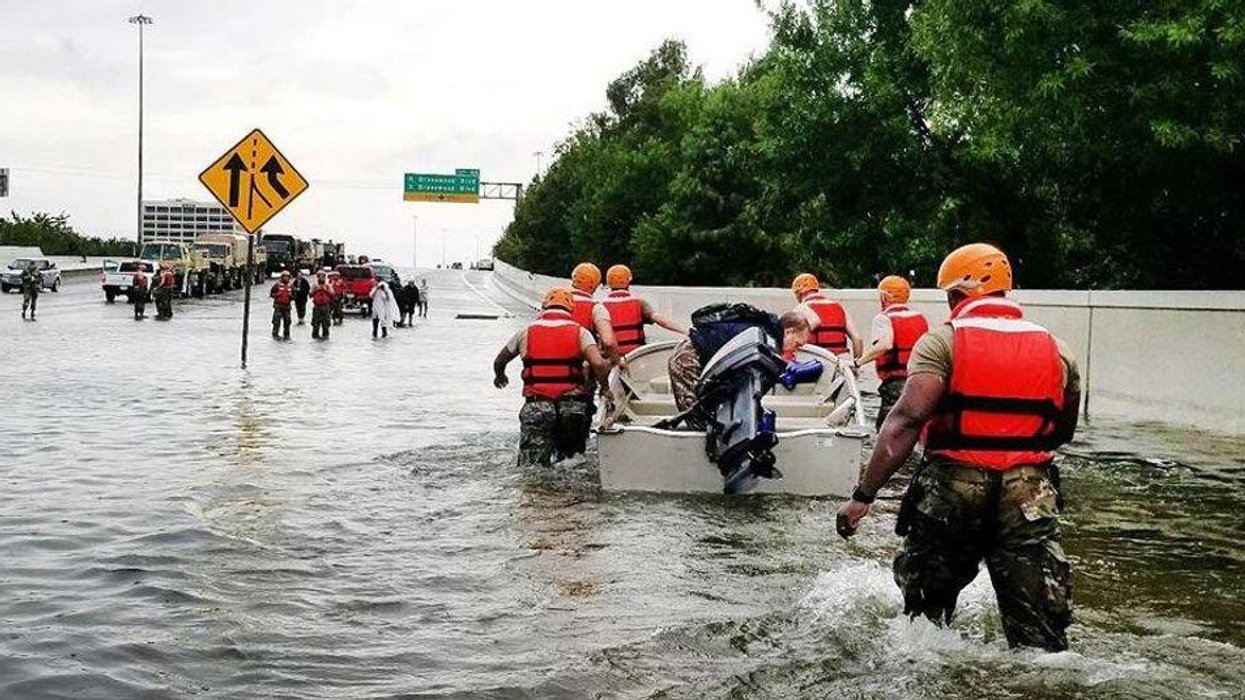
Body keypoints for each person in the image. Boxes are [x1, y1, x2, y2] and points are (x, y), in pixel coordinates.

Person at [837, 243, 1081, 652]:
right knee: (1040, 638)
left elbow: (905, 422)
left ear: (955, 294)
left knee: (925, 624)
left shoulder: (942, 343)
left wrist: (863, 496)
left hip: (954, 487)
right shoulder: (1057, 349)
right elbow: (1062, 430)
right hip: (1029, 492)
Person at [492, 287, 612, 466]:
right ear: (571, 308)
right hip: (572, 406)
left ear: (544, 306)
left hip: (537, 404)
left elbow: (500, 360)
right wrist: (605, 387)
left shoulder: (526, 332)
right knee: (572, 463)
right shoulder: (580, 332)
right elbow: (598, 364)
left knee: (532, 467)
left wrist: (499, 375)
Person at [667, 304, 812, 427]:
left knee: (710, 418)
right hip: (688, 357)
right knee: (698, 420)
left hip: (698, 354)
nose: (796, 351)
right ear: (789, 331)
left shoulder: (765, 331)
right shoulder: (765, 338)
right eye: (797, 345)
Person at [854, 276, 930, 429]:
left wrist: (859, 362)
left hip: (896, 381)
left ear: (884, 297)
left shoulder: (883, 318)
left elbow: (885, 344)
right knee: (912, 427)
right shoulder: (919, 318)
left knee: (885, 429)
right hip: (919, 379)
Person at [600, 264, 686, 359]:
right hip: (635, 357)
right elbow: (660, 320)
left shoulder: (600, 305)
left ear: (609, 282)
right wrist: (684, 331)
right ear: (628, 282)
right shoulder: (639, 303)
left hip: (611, 358)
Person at [790, 272, 863, 358]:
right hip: (842, 360)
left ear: (799, 293)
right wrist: (856, 363)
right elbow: (858, 339)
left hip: (818, 359)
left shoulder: (801, 308)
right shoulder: (839, 308)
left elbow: (798, 338)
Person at [309, 270, 334, 340]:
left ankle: (325, 335)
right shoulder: (314, 285)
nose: (321, 278)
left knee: (326, 323)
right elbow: (310, 295)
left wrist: (325, 290)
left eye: (323, 277)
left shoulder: (328, 285)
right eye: (320, 277)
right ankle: (315, 335)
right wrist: (316, 290)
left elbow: (332, 294)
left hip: (325, 307)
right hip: (317, 307)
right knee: (315, 323)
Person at [270, 271, 294, 340]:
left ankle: (287, 334)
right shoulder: (277, 285)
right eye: (285, 277)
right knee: (276, 321)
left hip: (287, 306)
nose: (286, 278)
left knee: (287, 321)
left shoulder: (291, 286)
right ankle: (275, 334)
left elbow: (294, 295)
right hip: (278, 306)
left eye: (287, 277)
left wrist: (291, 297)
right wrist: (277, 295)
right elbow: (271, 294)